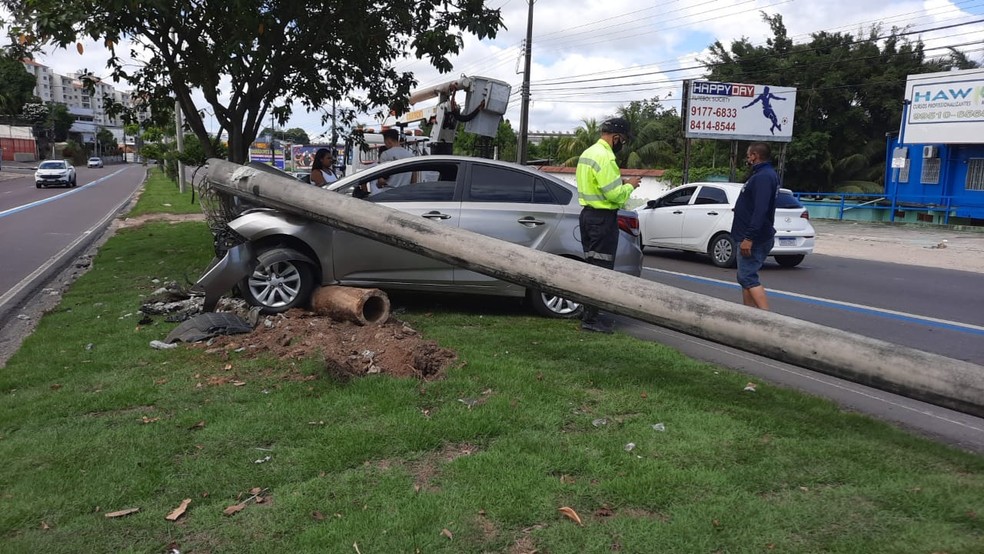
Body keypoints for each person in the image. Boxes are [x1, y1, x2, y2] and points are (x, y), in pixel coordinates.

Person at [575, 117, 641, 333]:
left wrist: (618, 184)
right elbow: (614, 196)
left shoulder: (589, 153)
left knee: (591, 268)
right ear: (615, 137)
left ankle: (589, 315)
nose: (622, 144)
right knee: (601, 271)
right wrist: (630, 186)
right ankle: (591, 320)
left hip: (587, 216)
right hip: (603, 219)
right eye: (622, 139)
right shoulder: (606, 157)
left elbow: (598, 185)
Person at [733, 142, 779, 310]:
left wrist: (749, 237)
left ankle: (767, 320)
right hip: (750, 234)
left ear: (754, 156)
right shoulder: (762, 175)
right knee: (745, 279)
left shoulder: (763, 177)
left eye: (748, 155)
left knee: (748, 278)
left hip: (754, 237)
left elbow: (761, 209)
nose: (747, 158)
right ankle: (749, 316)